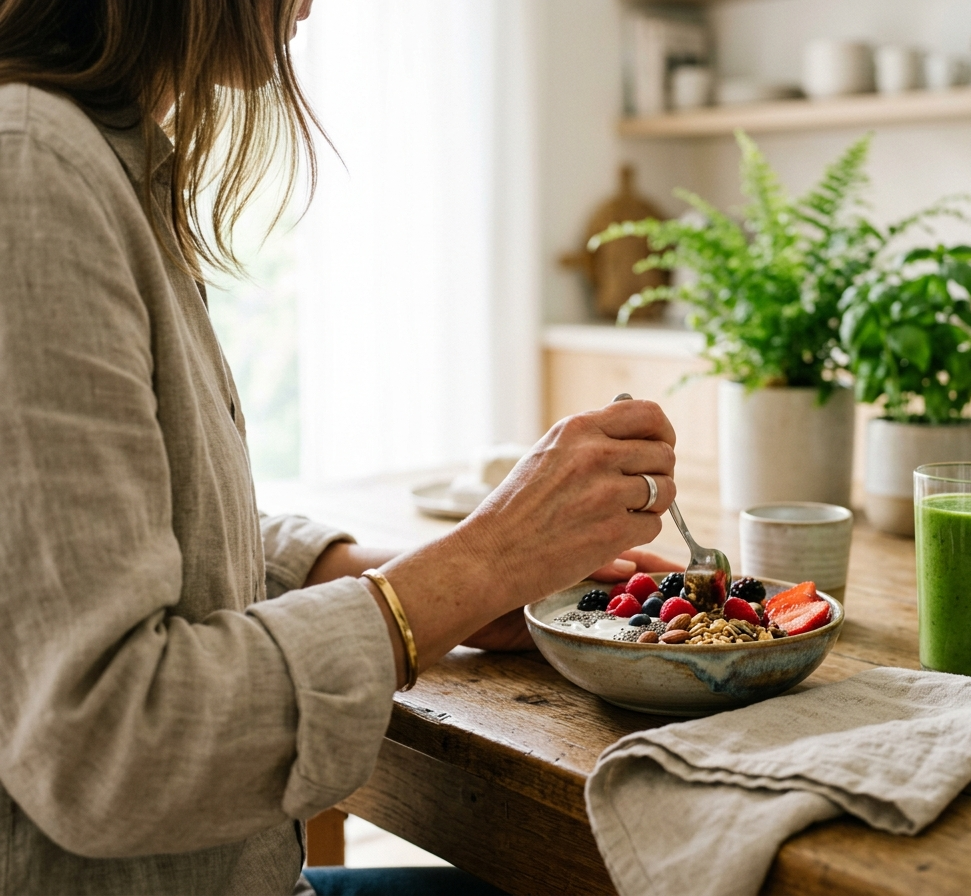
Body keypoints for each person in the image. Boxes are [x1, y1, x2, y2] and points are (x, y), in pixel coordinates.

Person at [0, 1, 679, 894]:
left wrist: (425, 579)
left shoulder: (90, 159)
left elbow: (166, 534)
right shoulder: (33, 170)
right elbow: (113, 750)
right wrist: (477, 563)